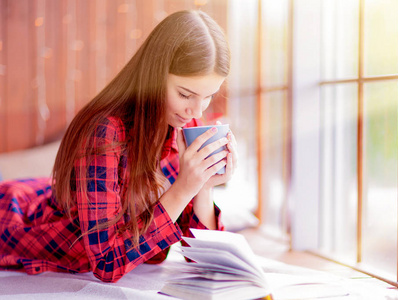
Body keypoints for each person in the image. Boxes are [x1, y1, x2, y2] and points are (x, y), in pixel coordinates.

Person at [0, 10, 237, 283]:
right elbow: (107, 264)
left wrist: (203, 186)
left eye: (208, 97)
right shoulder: (106, 131)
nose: (195, 110)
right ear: (155, 76)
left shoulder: (183, 123)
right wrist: (184, 188)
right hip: (16, 219)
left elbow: (201, 260)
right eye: (185, 94)